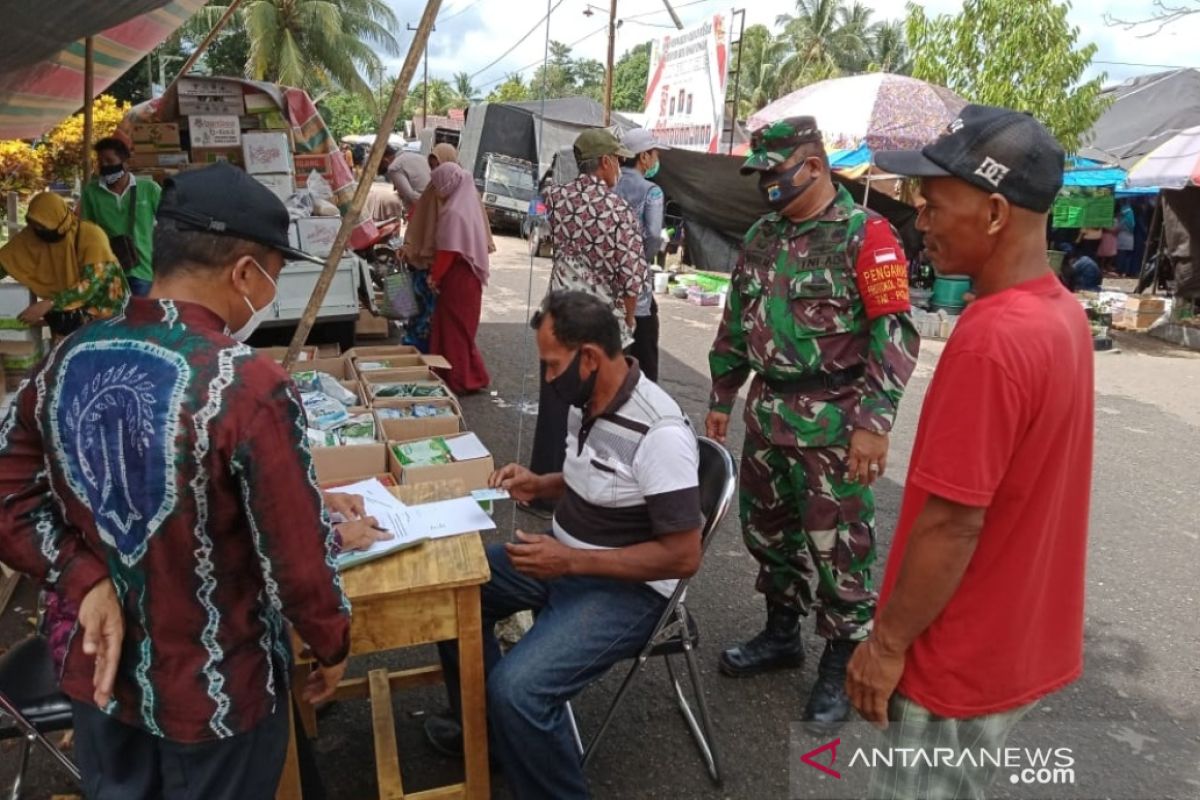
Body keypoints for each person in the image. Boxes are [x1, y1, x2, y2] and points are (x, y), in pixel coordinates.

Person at [0, 162, 352, 799]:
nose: (268, 294)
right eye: (273, 275)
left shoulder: (68, 357)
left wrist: (85, 579)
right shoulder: (249, 387)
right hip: (213, 696)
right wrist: (331, 645)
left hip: (102, 679)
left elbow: (9, 495)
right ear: (246, 272)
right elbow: (297, 565)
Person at [850, 105, 1092, 800]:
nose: (918, 220)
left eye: (931, 205)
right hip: (1011, 641)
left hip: (953, 658)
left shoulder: (993, 339)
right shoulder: (1061, 314)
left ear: (992, 213)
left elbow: (954, 520)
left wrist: (887, 644)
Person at [426, 290, 702, 800]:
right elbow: (596, 479)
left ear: (591, 357)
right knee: (453, 590)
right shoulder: (587, 397)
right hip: (566, 561)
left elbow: (684, 556)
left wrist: (570, 559)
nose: (548, 378)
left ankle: (527, 747)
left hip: (630, 592)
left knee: (520, 691)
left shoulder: (659, 431)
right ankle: (494, 737)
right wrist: (541, 483)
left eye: (553, 366)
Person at [706, 116, 920, 733]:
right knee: (766, 532)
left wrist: (874, 422)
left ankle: (842, 655)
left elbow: (894, 331)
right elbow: (737, 317)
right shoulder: (762, 235)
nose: (766, 185)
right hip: (768, 413)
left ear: (816, 165)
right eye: (761, 175)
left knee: (838, 547)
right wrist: (723, 390)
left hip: (834, 423)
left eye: (775, 173)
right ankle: (782, 633)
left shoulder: (868, 235)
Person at [527, 129, 645, 513]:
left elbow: (542, 228)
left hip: (559, 312)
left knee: (555, 401)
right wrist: (629, 317)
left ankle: (541, 490)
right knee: (596, 405)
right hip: (598, 324)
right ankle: (584, 493)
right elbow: (631, 279)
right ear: (607, 162)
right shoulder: (618, 211)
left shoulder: (556, 199)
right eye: (619, 160)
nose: (621, 168)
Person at [0, 191, 128, 338]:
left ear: (59, 220)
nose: (38, 230)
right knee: (64, 354)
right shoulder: (32, 235)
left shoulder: (91, 235)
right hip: (65, 310)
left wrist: (48, 304)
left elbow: (91, 284)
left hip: (104, 309)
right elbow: (5, 261)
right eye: (34, 224)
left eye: (43, 225)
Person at [426, 161, 492, 394]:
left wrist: (434, 277)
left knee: (454, 330)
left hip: (457, 279)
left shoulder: (453, 212)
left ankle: (462, 378)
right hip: (469, 279)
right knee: (462, 330)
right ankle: (468, 375)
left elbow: (447, 251)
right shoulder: (469, 206)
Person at [615, 128, 670, 382]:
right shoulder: (651, 191)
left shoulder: (609, 183)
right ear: (644, 157)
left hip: (606, 283)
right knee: (644, 353)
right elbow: (654, 235)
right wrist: (641, 261)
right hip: (637, 289)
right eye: (655, 153)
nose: (657, 159)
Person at [80, 136, 162, 297]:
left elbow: (169, 224)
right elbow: (87, 231)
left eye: (109, 161)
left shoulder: (149, 189)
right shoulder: (91, 192)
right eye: (100, 161)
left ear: (126, 163)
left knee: (141, 319)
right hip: (109, 271)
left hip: (143, 270)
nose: (104, 165)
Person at [381, 143, 432, 217]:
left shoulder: (394, 167)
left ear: (385, 160)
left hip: (423, 210)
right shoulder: (419, 156)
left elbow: (410, 196)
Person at [1116, 200, 1137, 277]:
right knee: (1128, 256)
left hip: (1122, 236)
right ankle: (1126, 271)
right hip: (1130, 237)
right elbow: (1133, 226)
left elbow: (1118, 227)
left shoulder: (1121, 217)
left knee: (1121, 255)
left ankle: (1120, 271)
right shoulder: (1131, 216)